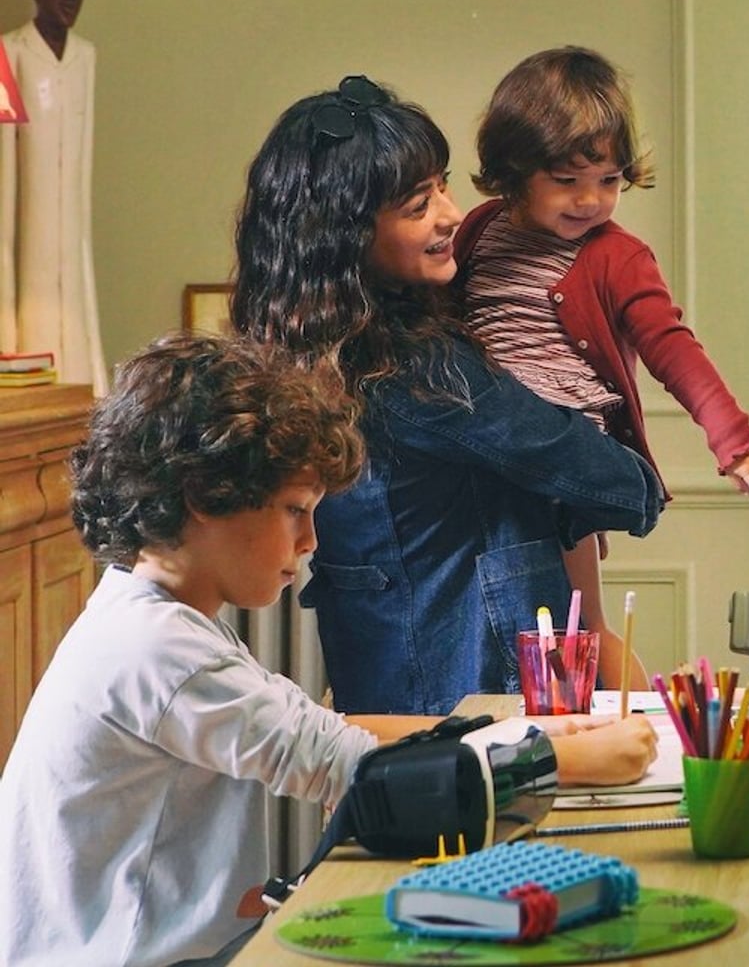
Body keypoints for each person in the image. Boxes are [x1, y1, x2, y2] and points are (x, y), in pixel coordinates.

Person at [0, 333, 658, 966]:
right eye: (295, 510)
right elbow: (357, 775)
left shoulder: (149, 617)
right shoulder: (157, 650)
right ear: (205, 497)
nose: (311, 540)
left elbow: (326, 730)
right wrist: (562, 760)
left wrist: (520, 727)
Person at [230, 76, 667, 715]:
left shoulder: (308, 346)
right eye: (416, 205)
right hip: (468, 686)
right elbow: (613, 482)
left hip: (383, 673)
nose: (451, 214)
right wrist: (638, 482)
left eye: (441, 184)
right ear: (347, 236)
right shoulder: (418, 371)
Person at [455, 47, 749, 671]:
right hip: (488, 448)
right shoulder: (479, 231)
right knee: (500, 617)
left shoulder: (618, 256)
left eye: (609, 181)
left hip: (564, 452)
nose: (591, 200)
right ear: (516, 171)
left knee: (584, 624)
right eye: (567, 182)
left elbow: (671, 347)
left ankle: (638, 729)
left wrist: (732, 438)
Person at [0, 0, 105, 393]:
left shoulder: (86, 57)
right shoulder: (11, 52)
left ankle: (89, 376)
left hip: (72, 229)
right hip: (28, 232)